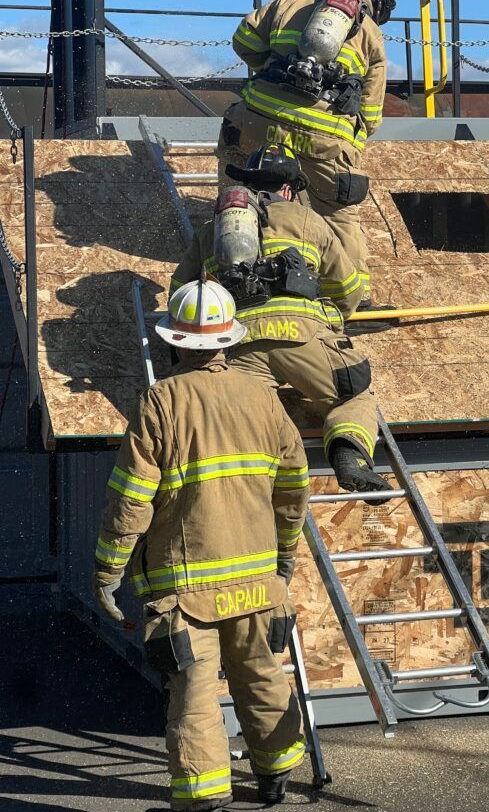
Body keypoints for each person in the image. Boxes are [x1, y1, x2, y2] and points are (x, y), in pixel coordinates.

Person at [93, 278, 308, 809]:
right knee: (261, 676)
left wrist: (106, 574)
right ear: (228, 342)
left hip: (187, 590)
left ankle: (203, 797)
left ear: (174, 343)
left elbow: (131, 501)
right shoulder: (264, 397)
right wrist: (283, 560)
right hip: (260, 583)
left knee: (193, 696)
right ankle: (276, 777)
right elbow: (293, 486)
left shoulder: (161, 402)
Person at [169, 143, 389, 501]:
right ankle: (348, 455)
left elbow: (180, 291)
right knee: (353, 395)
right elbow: (348, 290)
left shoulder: (213, 230)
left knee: (245, 414)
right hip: (303, 339)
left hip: (237, 345)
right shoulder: (308, 221)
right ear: (289, 189)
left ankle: (253, 482)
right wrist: (331, 316)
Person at [218, 0, 395, 305]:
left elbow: (244, 43)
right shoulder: (372, 35)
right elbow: (371, 114)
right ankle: (353, 303)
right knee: (338, 213)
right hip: (323, 142)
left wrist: (272, 69)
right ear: (376, 1)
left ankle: (226, 289)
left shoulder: (287, 1)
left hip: (256, 122)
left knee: (238, 197)